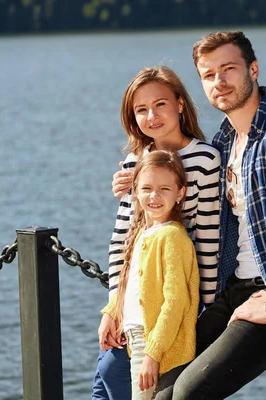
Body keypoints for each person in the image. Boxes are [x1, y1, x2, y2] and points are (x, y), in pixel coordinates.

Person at [114, 31, 266, 399]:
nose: (219, 82)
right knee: (162, 388)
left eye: (229, 69)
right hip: (236, 288)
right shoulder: (225, 140)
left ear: (253, 70)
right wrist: (141, 171)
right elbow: (183, 187)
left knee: (187, 393)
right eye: (208, 75)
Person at [93, 66, 221, 400]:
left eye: (160, 104)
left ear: (180, 104)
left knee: (126, 380)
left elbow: (208, 237)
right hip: (133, 300)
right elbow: (124, 238)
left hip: (172, 301)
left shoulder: (206, 159)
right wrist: (113, 304)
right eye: (141, 109)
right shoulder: (135, 160)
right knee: (103, 379)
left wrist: (202, 309)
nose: (152, 116)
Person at [99, 149, 201, 399]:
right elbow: (133, 284)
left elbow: (176, 301)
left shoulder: (172, 237)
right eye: (146, 188)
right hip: (136, 338)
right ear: (135, 190)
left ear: (180, 193)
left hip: (155, 344)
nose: (154, 196)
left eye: (164, 189)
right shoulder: (143, 233)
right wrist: (111, 312)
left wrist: (153, 354)